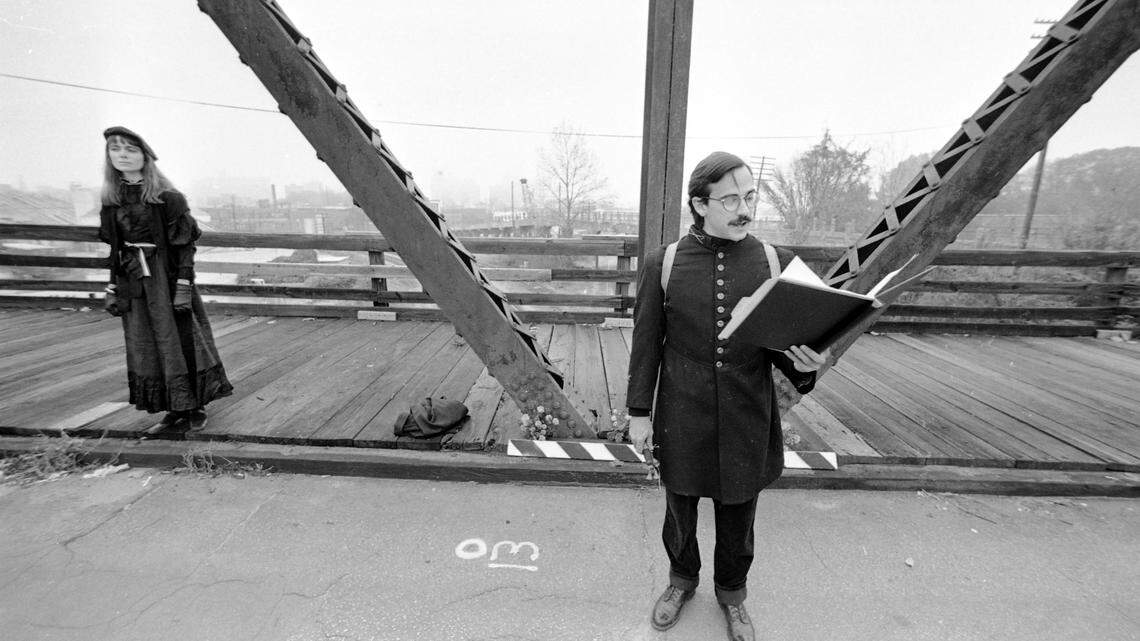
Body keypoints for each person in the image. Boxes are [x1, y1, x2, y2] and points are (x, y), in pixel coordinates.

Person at [626, 151, 829, 641]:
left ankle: (733, 596)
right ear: (700, 204)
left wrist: (805, 368)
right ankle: (680, 582)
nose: (745, 208)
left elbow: (784, 345)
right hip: (681, 406)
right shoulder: (665, 262)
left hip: (746, 408)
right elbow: (647, 340)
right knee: (680, 507)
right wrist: (638, 412)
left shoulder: (774, 261)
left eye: (750, 196)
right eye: (732, 199)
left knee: (740, 511)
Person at [98, 126, 233, 433]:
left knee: (180, 340)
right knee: (146, 343)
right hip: (134, 280)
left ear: (145, 156)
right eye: (115, 149)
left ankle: (193, 406)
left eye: (130, 149)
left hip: (166, 279)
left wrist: (183, 285)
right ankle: (172, 410)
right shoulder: (111, 199)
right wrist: (112, 286)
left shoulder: (168, 198)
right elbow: (115, 249)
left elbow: (185, 246)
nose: (122, 155)